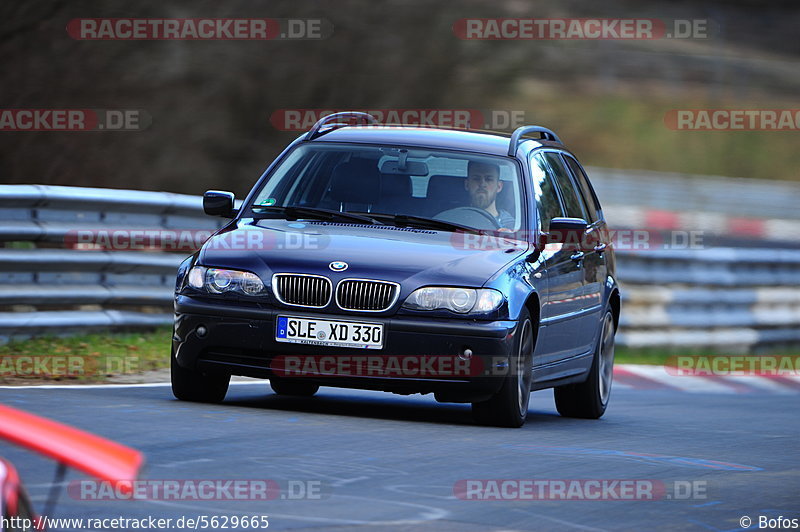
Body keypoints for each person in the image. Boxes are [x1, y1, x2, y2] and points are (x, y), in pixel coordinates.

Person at [465, 160, 515, 228]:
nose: (482, 184)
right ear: (467, 184)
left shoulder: (512, 228)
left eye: (489, 179)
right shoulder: (453, 221)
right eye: (476, 179)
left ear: (499, 186)